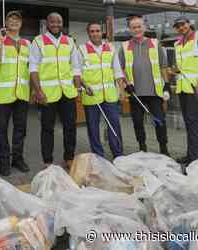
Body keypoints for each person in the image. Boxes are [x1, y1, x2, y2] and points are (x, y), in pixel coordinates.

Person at [29, 12, 81, 170]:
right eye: (52, 21)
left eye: (59, 22)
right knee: (47, 128)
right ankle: (48, 161)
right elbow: (33, 68)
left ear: (62, 23)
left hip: (67, 91)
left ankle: (69, 158)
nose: (56, 24)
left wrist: (78, 87)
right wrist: (38, 91)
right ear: (47, 23)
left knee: (70, 126)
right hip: (47, 93)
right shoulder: (38, 41)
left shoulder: (69, 41)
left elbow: (75, 67)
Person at [119, 15, 171, 155]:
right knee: (137, 123)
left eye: (139, 26)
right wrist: (127, 84)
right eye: (133, 27)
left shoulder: (155, 43)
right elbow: (121, 68)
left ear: (144, 27)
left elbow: (163, 66)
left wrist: (166, 84)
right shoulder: (124, 47)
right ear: (130, 29)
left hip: (155, 92)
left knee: (159, 121)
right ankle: (142, 148)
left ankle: (164, 149)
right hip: (135, 92)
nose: (137, 29)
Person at [0, 11, 31, 176]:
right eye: (10, 19)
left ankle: (18, 159)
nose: (14, 21)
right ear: (5, 22)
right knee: (1, 129)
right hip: (3, 94)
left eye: (17, 19)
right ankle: (4, 160)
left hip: (22, 93)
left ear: (21, 23)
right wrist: (0, 42)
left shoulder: (27, 43)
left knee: (20, 129)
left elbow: (31, 68)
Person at [78, 21, 125, 159]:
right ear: (88, 33)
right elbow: (77, 72)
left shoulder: (110, 48)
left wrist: (121, 90)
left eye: (97, 31)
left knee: (114, 125)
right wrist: (84, 87)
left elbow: (117, 70)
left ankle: (118, 154)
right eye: (92, 31)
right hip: (91, 96)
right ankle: (98, 156)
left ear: (102, 32)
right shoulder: (81, 49)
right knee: (93, 128)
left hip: (110, 95)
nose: (95, 33)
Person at [172, 16, 198, 171]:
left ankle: (194, 159)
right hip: (183, 87)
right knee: (189, 123)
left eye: (183, 24)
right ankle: (192, 154)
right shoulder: (177, 43)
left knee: (193, 123)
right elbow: (183, 65)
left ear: (189, 24)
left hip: (196, 87)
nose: (181, 28)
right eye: (178, 26)